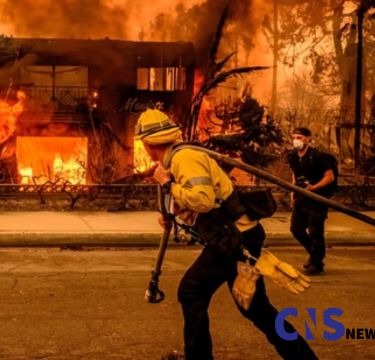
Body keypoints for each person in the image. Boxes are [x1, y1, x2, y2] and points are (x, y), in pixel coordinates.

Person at [135, 109, 317, 360]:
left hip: (234, 238)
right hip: (238, 235)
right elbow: (197, 197)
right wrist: (172, 212)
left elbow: (203, 199)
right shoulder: (177, 158)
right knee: (255, 308)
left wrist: (168, 184)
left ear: (147, 143)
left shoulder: (183, 158)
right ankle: (303, 357)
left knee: (191, 292)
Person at [287, 127, 336, 275]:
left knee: (315, 231)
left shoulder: (319, 157)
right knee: (296, 229)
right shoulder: (293, 156)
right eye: (294, 137)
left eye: (300, 137)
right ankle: (315, 256)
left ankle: (317, 264)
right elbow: (295, 174)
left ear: (308, 139)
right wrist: (292, 191)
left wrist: (313, 188)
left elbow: (329, 177)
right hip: (301, 198)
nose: (296, 140)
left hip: (317, 198)